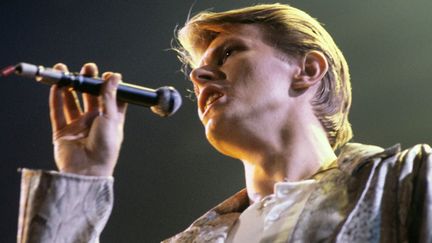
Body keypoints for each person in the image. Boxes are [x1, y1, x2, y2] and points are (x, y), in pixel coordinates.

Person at [17, 3, 432, 243]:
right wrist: (84, 179)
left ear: (307, 69)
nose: (198, 77)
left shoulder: (408, 182)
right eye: (197, 70)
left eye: (229, 53)